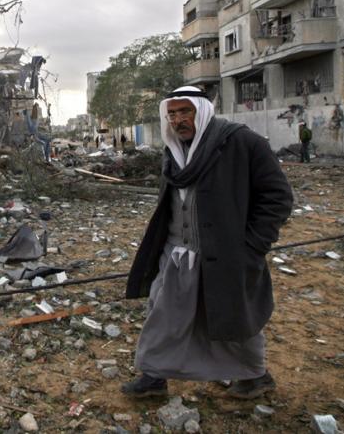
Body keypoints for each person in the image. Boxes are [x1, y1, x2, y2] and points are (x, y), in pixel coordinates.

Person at [121, 86, 293, 400]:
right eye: (171, 113)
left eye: (185, 111)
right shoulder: (173, 152)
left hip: (227, 254)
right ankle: (154, 376)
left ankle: (256, 376)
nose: (177, 120)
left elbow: (278, 198)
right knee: (163, 314)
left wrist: (252, 245)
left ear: (202, 111)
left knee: (233, 318)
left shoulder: (243, 143)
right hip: (176, 252)